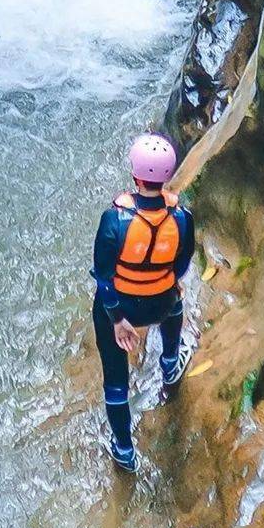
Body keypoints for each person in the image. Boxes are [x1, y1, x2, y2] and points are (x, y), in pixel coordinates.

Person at [92, 134, 196, 471]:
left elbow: (103, 275)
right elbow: (181, 264)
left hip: (122, 308)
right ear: (165, 177)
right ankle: (169, 361)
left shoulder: (114, 219)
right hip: (160, 303)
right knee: (175, 297)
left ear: (136, 177)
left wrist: (118, 320)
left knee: (115, 378)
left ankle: (124, 448)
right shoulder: (182, 218)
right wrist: (167, 284)